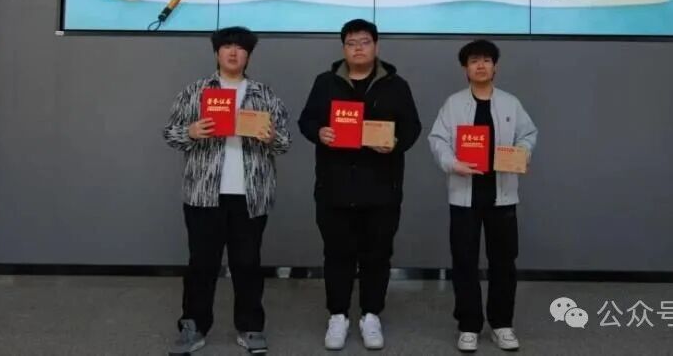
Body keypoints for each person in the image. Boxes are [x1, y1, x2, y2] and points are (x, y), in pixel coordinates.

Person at [163, 26, 291, 355]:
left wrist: (271, 137)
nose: (233, 52)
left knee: (247, 263)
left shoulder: (264, 94)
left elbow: (284, 143)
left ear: (248, 55)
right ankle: (193, 327)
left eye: (240, 48)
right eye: (227, 47)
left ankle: (250, 327)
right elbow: (170, 133)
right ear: (217, 52)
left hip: (251, 195)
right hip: (203, 193)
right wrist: (191, 131)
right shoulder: (195, 91)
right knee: (201, 264)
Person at [298, 18, 422, 351]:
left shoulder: (396, 85)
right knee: (336, 253)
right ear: (343, 48)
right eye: (351, 43)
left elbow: (412, 127)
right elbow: (306, 120)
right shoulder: (325, 82)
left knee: (377, 254)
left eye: (364, 42)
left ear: (376, 46)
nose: (358, 49)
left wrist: (395, 142)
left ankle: (371, 315)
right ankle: (338, 315)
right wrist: (319, 132)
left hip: (381, 188)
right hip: (334, 186)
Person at [428, 39, 538, 353]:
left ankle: (502, 324)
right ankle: (469, 325)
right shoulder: (453, 104)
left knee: (503, 262)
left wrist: (522, 153)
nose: (480, 65)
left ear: (495, 67)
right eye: (474, 60)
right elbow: (437, 139)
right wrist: (452, 163)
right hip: (464, 196)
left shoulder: (510, 103)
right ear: (465, 68)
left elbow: (528, 134)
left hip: (502, 196)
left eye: (486, 60)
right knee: (464, 262)